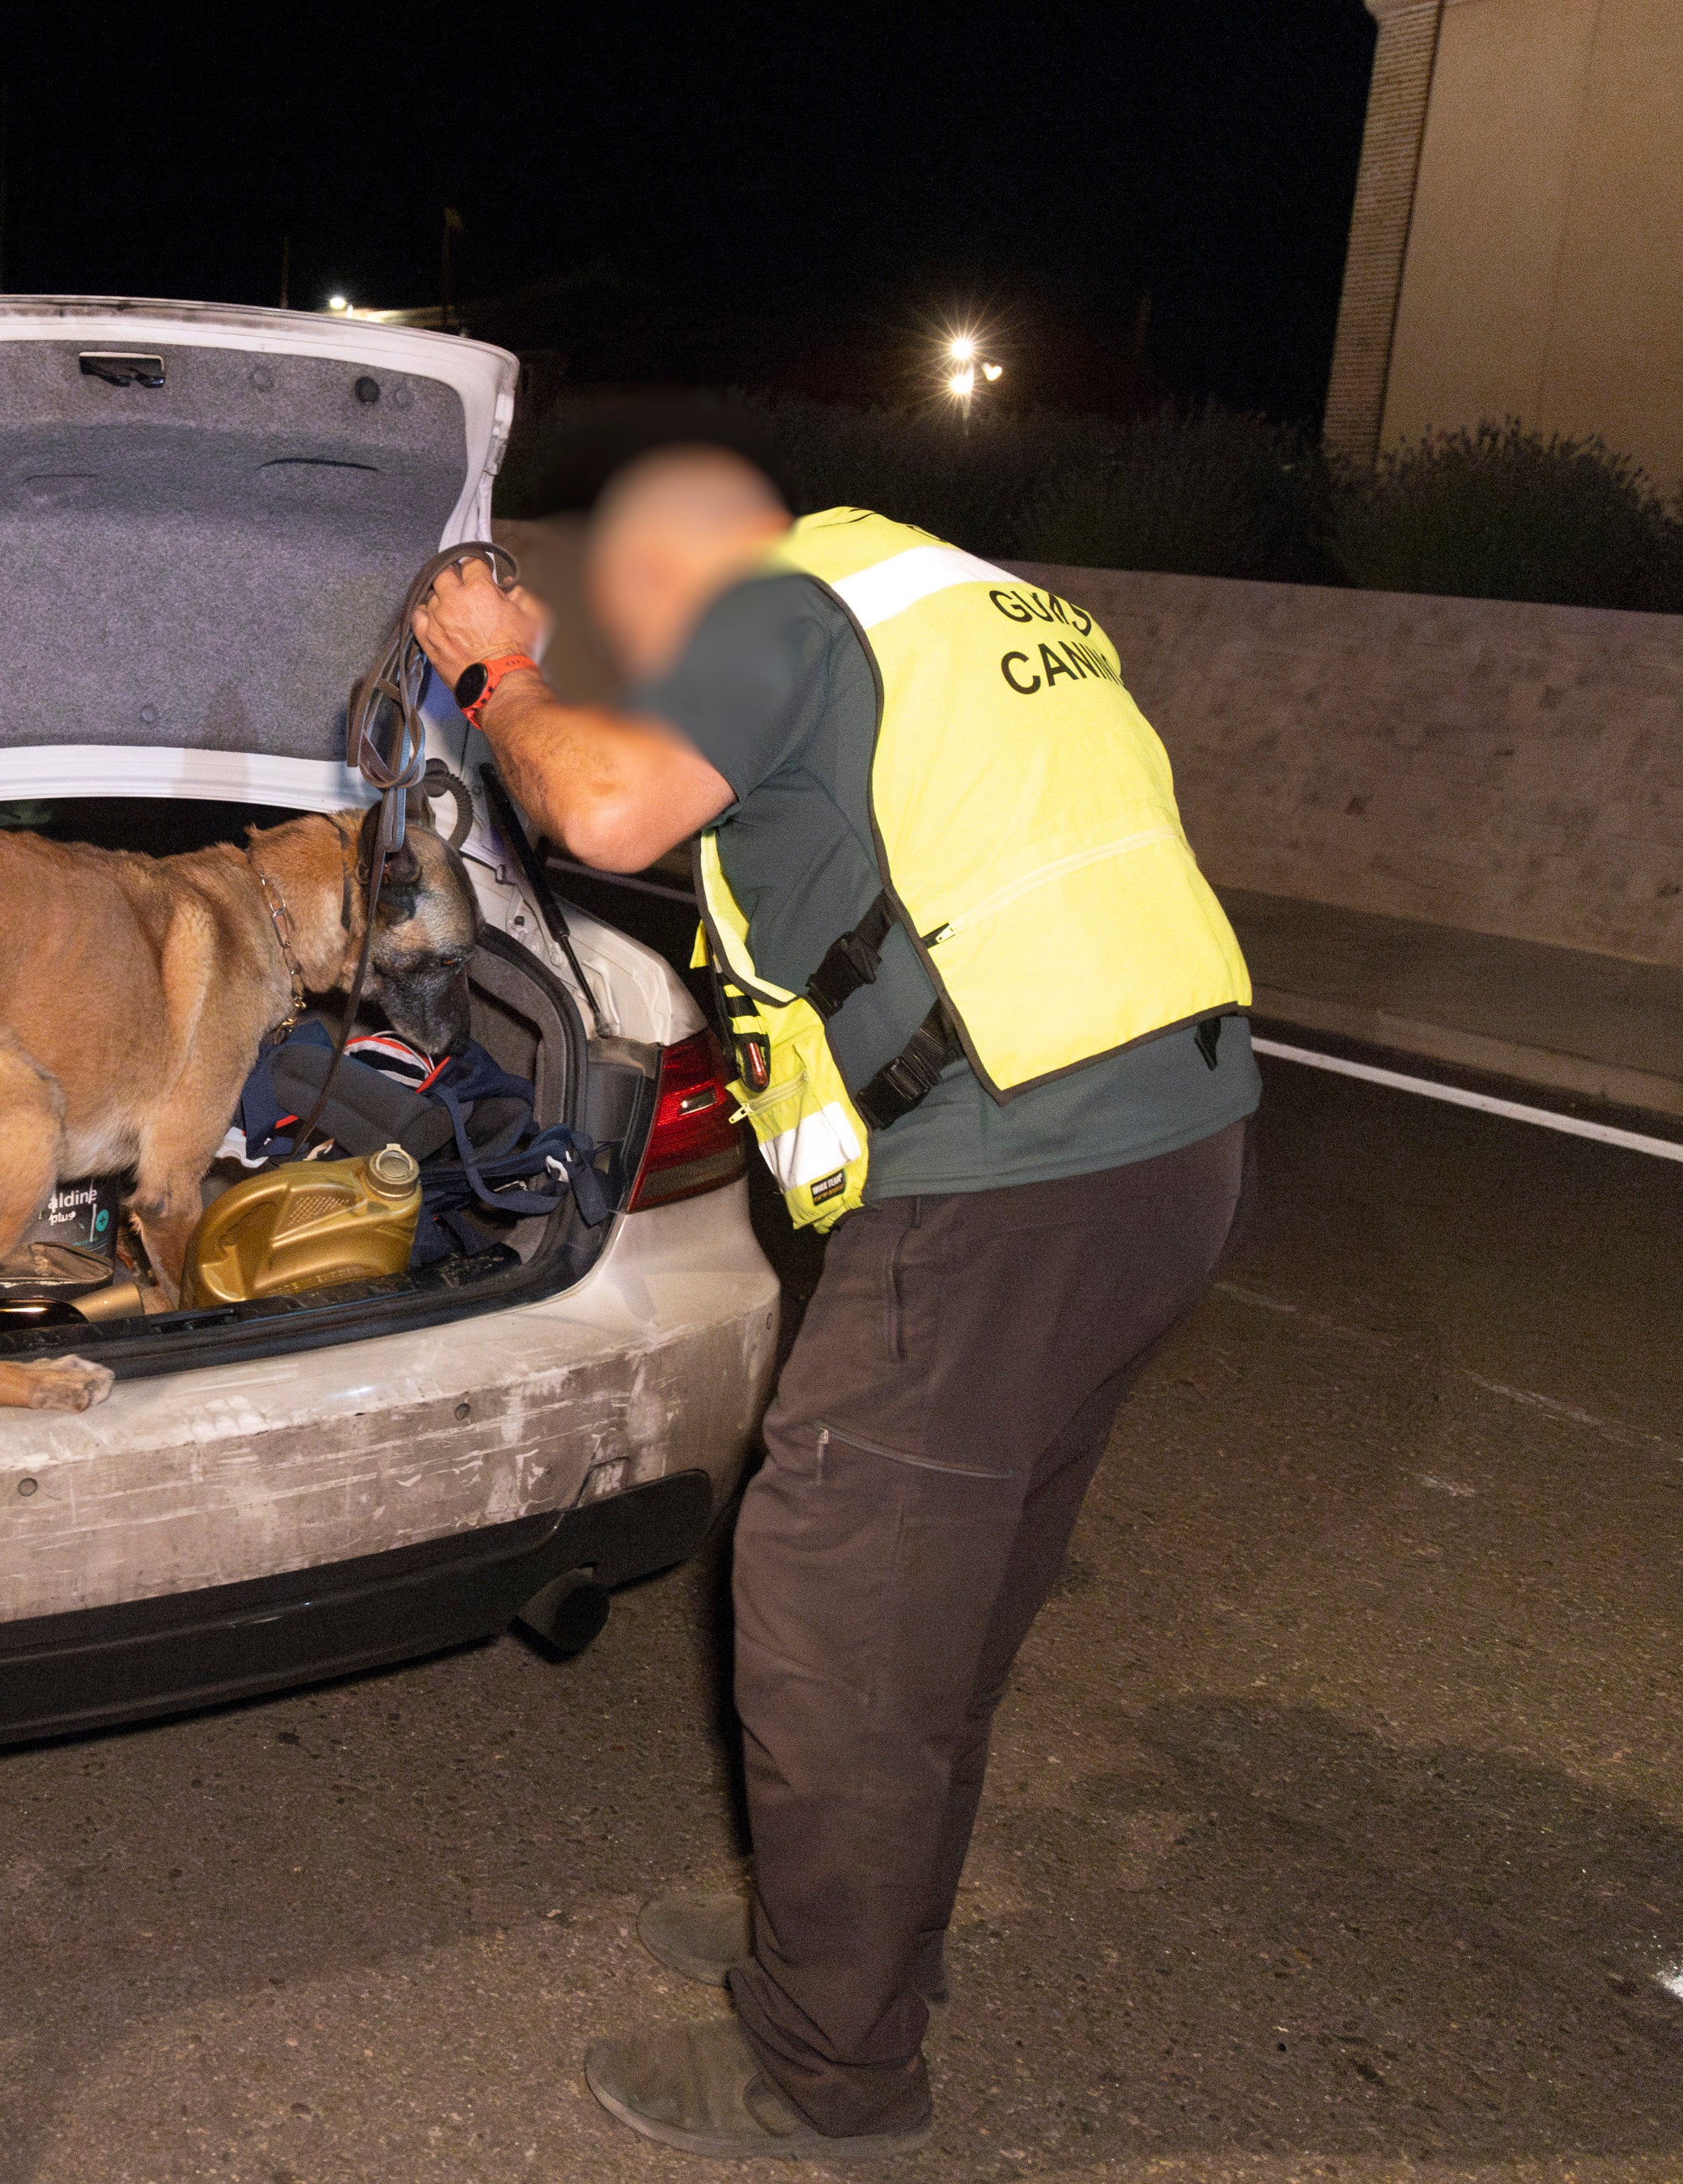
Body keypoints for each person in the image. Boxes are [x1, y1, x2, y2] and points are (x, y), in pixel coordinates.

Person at [412, 448, 1256, 2163]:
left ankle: (828, 2064)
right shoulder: (987, 606)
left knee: (836, 1623)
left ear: (681, 567)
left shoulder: (783, 604)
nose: (643, 647)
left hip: (1009, 1177)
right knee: (938, 1608)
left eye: (634, 600)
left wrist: (500, 672)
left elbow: (603, 812)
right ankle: (859, 1951)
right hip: (1170, 1154)